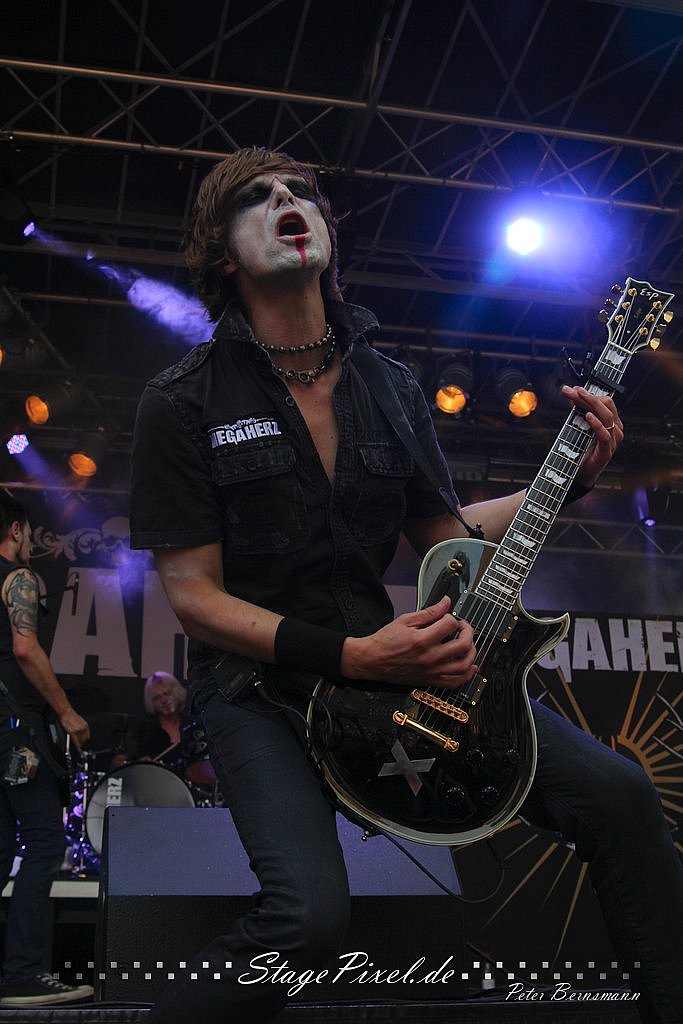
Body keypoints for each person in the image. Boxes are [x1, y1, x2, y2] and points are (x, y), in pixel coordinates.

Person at [129, 147, 683, 1024]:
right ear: (223, 253)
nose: (287, 201)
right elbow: (194, 597)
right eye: (257, 198)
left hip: (394, 669)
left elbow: (444, 537)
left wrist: (569, 479)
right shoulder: (182, 399)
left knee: (619, 796)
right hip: (258, 690)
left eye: (302, 191)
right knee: (306, 921)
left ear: (325, 232)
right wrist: (352, 655)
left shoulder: (388, 387)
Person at [0, 489, 94, 1006]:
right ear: (16, 530)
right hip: (15, 727)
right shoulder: (18, 578)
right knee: (43, 843)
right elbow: (25, 647)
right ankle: (21, 973)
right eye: (29, 534)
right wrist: (66, 712)